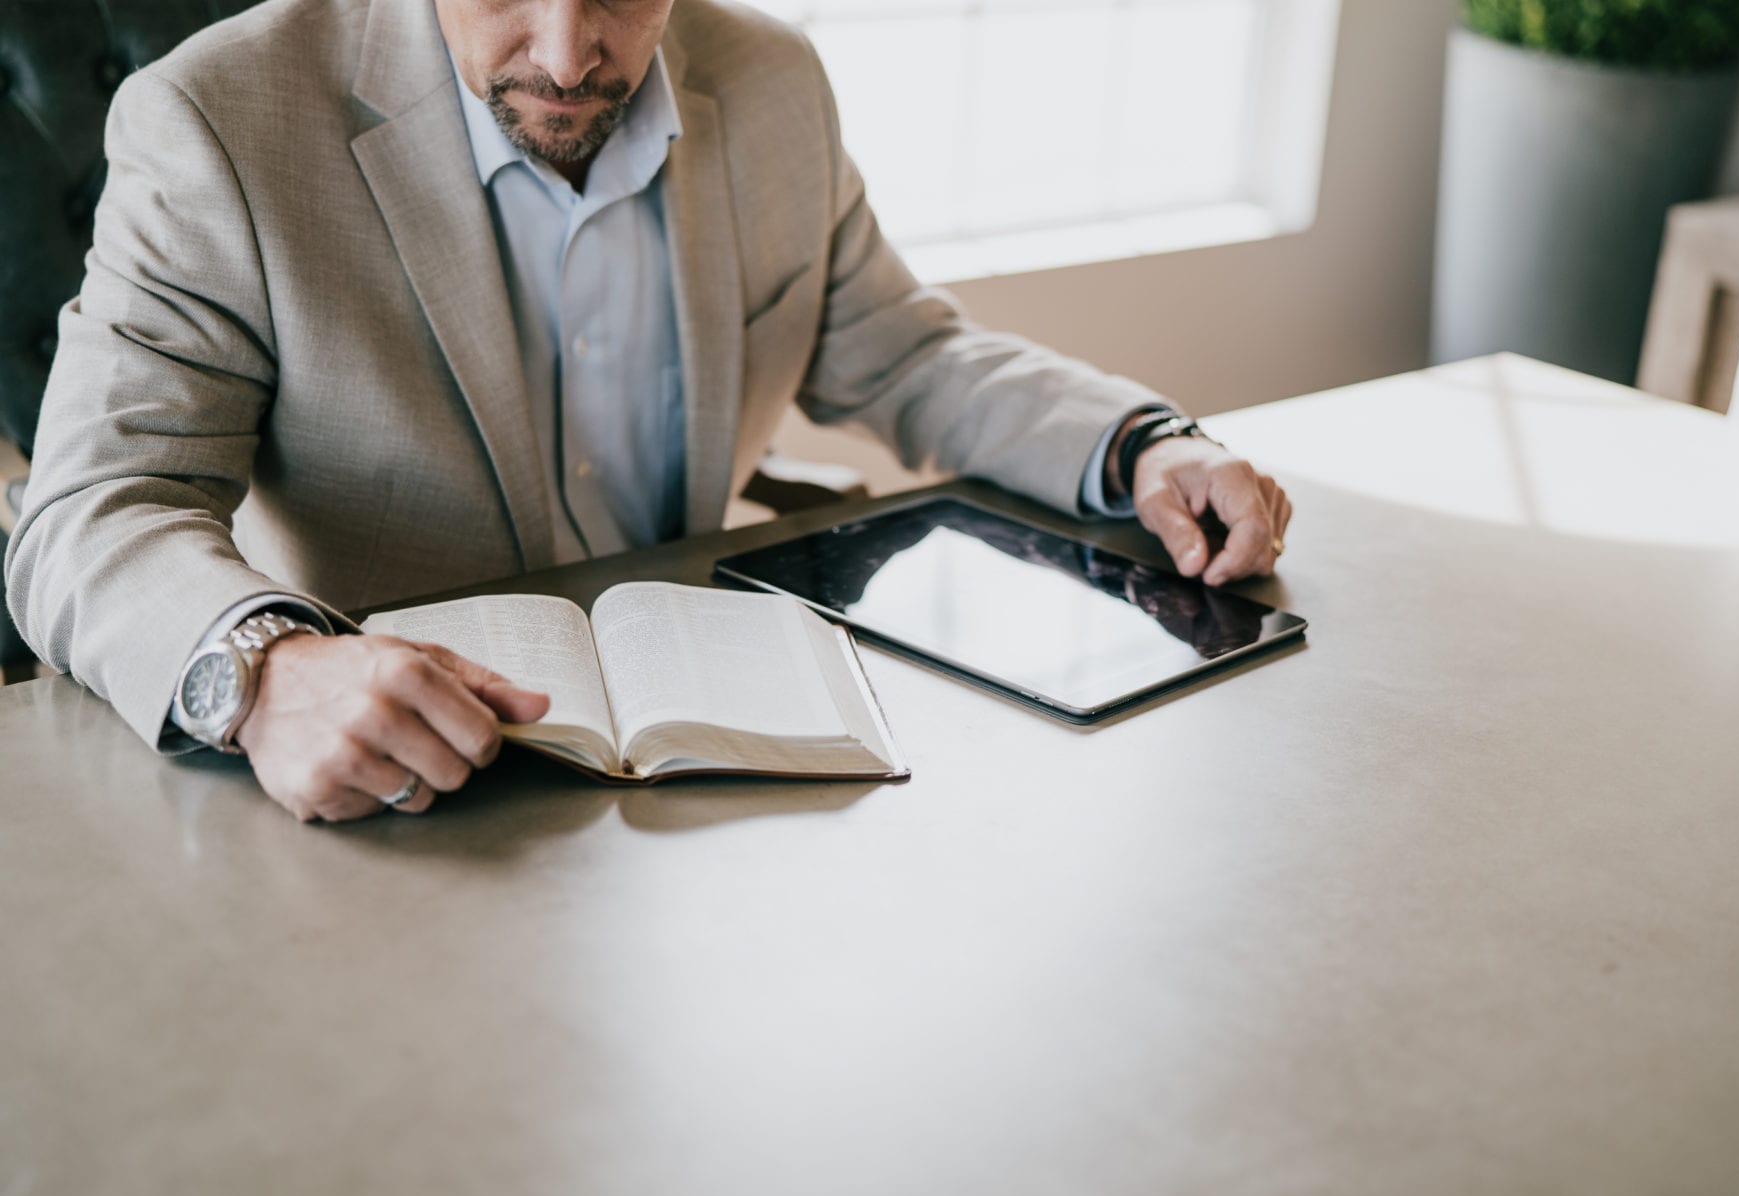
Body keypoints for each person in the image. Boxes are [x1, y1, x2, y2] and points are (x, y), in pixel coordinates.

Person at [4, 0, 1292, 823]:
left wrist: (1140, 445)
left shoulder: (778, 81)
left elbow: (900, 353)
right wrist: (266, 673)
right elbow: (88, 508)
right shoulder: (218, 117)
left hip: (717, 765)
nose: (568, 58)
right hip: (401, 800)